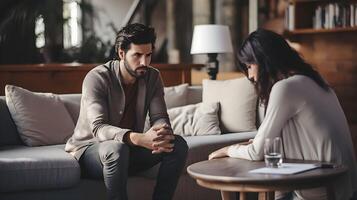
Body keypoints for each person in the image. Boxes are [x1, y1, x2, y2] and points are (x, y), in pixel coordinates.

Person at [208, 29, 357, 200]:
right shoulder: (314, 79)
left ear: (265, 59)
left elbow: (257, 152)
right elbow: (269, 142)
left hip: (321, 187)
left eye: (250, 66)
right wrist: (259, 144)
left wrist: (229, 149)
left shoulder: (286, 88)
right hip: (344, 185)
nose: (250, 76)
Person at [65, 23, 188, 200]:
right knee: (116, 149)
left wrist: (161, 132)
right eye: (137, 55)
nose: (144, 62)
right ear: (122, 53)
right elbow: (98, 128)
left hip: (129, 151)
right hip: (90, 152)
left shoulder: (152, 76)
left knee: (178, 145)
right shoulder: (97, 78)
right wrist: (139, 138)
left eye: (148, 55)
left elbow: (159, 117)